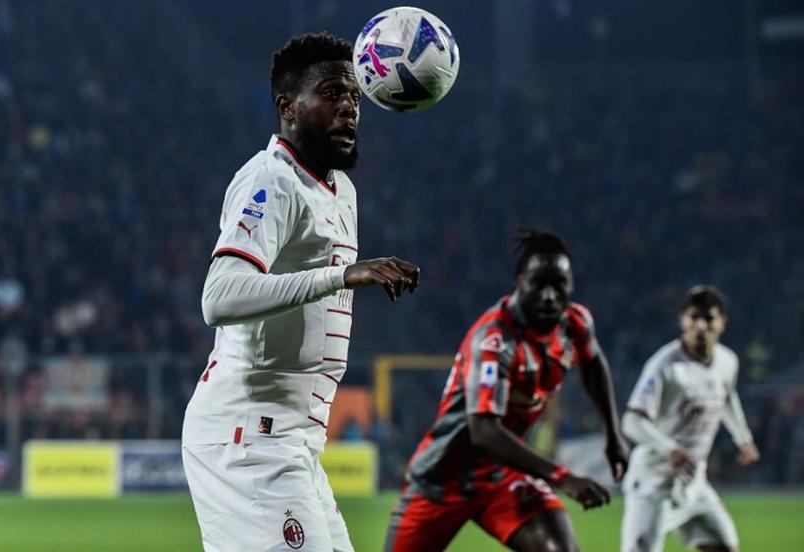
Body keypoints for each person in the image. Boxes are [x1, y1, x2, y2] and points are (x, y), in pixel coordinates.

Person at [181, 32, 420, 552]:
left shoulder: (341, 189)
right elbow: (218, 297)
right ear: (288, 106)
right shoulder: (270, 181)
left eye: (355, 96)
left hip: (294, 441)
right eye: (332, 94)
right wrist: (341, 276)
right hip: (248, 436)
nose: (349, 108)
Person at [384, 229, 629, 552]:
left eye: (558, 284)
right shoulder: (496, 340)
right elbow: (483, 431)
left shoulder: (575, 323)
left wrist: (613, 434)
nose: (549, 295)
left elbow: (594, 364)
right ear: (518, 280)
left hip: (503, 477)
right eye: (538, 282)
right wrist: (562, 477)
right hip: (442, 481)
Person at [620, 285, 760, 552]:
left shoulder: (727, 361)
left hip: (694, 483)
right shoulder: (665, 365)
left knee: (724, 546)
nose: (700, 325)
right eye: (694, 317)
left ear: (722, 323)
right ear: (682, 320)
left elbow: (727, 397)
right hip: (654, 482)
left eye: (708, 318)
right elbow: (631, 422)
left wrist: (744, 439)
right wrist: (671, 450)